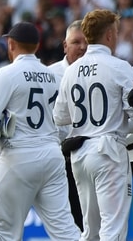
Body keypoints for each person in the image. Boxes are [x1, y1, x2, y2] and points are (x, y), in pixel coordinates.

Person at [0, 22, 80, 240]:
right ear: (36, 46)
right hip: (52, 155)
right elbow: (62, 122)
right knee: (64, 229)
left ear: (11, 43)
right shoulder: (52, 76)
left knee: (5, 231)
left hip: (19, 156)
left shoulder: (6, 74)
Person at [54, 10, 133, 240]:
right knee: (112, 229)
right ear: (110, 35)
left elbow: (60, 117)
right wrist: (119, 125)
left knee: (90, 229)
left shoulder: (71, 70)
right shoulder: (119, 66)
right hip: (108, 150)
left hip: (79, 154)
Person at [48, 19, 87, 231]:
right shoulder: (50, 75)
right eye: (76, 42)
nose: (82, 47)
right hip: (60, 158)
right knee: (67, 223)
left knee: (91, 220)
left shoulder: (100, 71)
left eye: (86, 42)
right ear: (65, 45)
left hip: (92, 155)